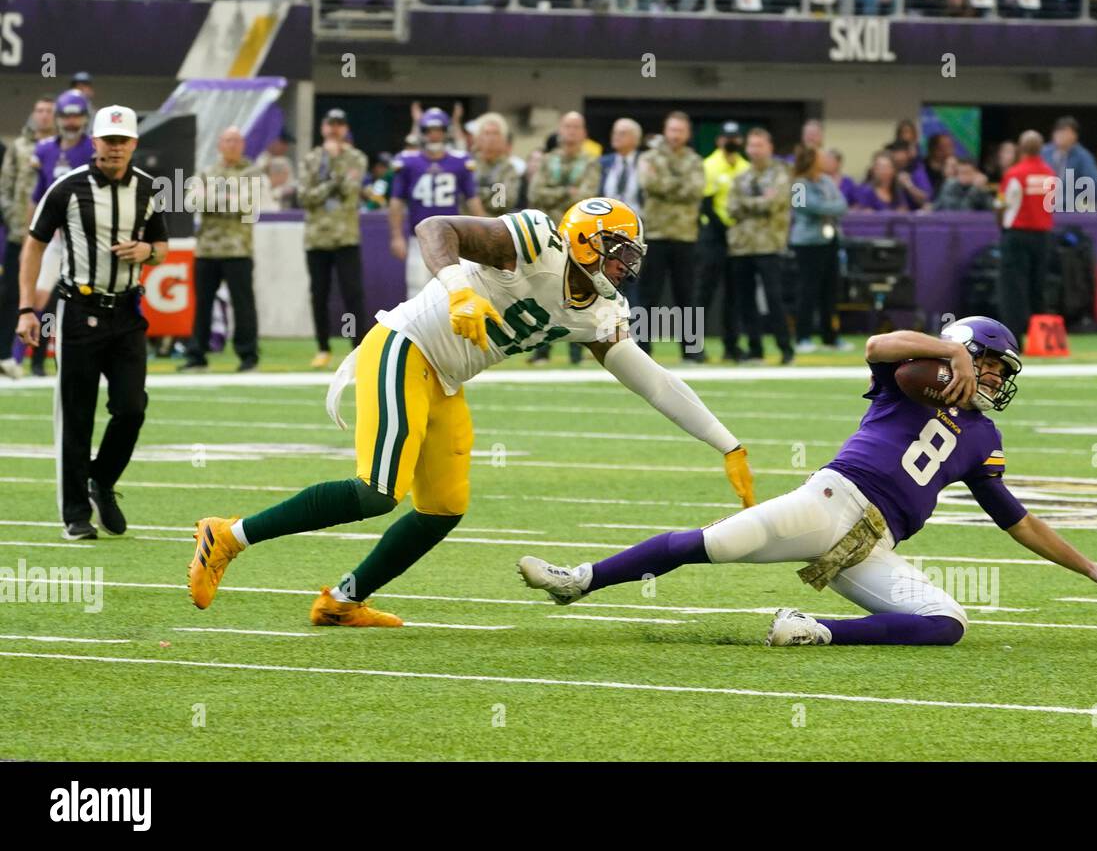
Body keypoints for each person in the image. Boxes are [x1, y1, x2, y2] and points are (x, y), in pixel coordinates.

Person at [187, 199, 756, 626]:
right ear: (584, 242)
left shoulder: (600, 308)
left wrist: (725, 442)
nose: (626, 264)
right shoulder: (534, 241)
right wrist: (459, 287)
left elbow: (652, 382)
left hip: (446, 376)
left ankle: (342, 600)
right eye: (618, 249)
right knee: (376, 491)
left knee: (442, 508)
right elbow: (436, 229)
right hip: (405, 344)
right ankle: (228, 535)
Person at [520, 318, 1097, 646]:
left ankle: (812, 629)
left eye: (996, 369)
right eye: (984, 361)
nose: (990, 377)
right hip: (829, 502)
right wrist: (951, 354)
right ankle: (581, 580)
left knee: (946, 621)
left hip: (872, 546)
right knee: (708, 545)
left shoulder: (985, 439)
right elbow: (879, 343)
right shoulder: (915, 374)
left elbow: (1017, 520)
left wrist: (1088, 567)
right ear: (956, 352)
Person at [17, 105, 169, 540]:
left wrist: (147, 253)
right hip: (79, 312)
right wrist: (28, 308)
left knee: (131, 408)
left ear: (134, 143)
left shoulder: (146, 189)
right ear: (94, 142)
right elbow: (34, 245)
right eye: (108, 140)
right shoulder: (67, 188)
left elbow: (161, 246)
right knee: (77, 414)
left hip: (126, 311)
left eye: (123, 140)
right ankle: (75, 514)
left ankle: (101, 480)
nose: (116, 148)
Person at [180, 126, 265, 372]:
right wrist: (228, 198)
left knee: (243, 304)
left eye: (236, 140)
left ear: (243, 144)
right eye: (227, 140)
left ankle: (248, 355)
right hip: (207, 249)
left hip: (238, 249)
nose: (232, 145)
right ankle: (197, 354)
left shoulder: (252, 172)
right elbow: (191, 201)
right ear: (220, 144)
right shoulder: (207, 172)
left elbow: (249, 205)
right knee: (203, 303)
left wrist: (214, 198)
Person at [24, 90, 95, 377]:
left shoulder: (93, 147)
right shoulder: (44, 150)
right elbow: (36, 196)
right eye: (66, 115)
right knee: (37, 299)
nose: (71, 121)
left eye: (76, 115)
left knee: (88, 297)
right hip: (54, 236)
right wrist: (33, 233)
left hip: (85, 236)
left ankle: (91, 359)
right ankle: (30, 360)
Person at [526, 111, 602, 363]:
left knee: (579, 293)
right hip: (549, 234)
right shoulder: (548, 160)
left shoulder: (591, 162)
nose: (571, 131)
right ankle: (541, 350)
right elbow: (536, 193)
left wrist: (556, 193)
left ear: (583, 132)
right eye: (567, 126)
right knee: (544, 290)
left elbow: (585, 198)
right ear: (560, 130)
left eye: (576, 127)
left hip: (579, 238)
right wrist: (566, 191)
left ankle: (577, 351)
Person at [389, 108, 485, 301]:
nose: (434, 135)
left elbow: (472, 199)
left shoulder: (460, 161)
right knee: (417, 288)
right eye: (429, 130)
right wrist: (396, 235)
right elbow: (396, 200)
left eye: (439, 129)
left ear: (446, 131)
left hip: (451, 236)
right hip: (419, 236)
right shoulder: (408, 162)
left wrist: (485, 230)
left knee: (453, 288)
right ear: (422, 132)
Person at [299, 108, 369, 370]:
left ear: (345, 128)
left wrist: (331, 173)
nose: (334, 130)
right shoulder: (311, 159)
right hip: (316, 237)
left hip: (345, 236)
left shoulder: (356, 158)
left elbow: (349, 191)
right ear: (323, 128)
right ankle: (322, 347)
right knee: (319, 293)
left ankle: (359, 347)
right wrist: (331, 178)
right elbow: (305, 196)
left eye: (339, 125)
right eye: (331, 125)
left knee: (352, 293)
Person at [636, 110, 706, 357]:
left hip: (685, 235)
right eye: (672, 130)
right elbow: (648, 183)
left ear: (687, 134)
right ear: (666, 130)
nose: (676, 135)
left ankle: (692, 350)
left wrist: (665, 183)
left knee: (687, 295)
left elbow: (696, 189)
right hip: (655, 233)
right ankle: (641, 348)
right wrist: (678, 184)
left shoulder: (695, 161)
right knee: (648, 295)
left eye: (681, 131)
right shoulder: (649, 157)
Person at [727, 127, 794, 365]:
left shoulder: (782, 173)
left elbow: (775, 203)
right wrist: (758, 203)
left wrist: (749, 204)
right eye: (752, 145)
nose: (755, 150)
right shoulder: (741, 177)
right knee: (745, 300)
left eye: (760, 145)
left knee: (774, 298)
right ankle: (755, 349)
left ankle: (786, 348)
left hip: (770, 244)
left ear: (770, 148)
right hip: (742, 245)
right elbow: (731, 208)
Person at [0, 94, 55, 380]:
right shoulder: (19, 147)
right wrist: (14, 222)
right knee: (12, 295)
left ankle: (38, 361)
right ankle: (6, 356)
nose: (44, 115)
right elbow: (5, 187)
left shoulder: (61, 149)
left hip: (53, 238)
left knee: (47, 301)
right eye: (39, 110)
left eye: (49, 111)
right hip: (20, 235)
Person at [789, 144, 849, 354]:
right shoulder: (798, 183)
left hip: (829, 240)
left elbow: (842, 204)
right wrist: (827, 206)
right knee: (808, 289)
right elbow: (803, 206)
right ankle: (802, 336)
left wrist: (825, 207)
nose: (825, 159)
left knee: (829, 290)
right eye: (820, 156)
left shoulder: (826, 181)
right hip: (807, 243)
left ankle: (830, 336)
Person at [998, 130, 1055, 348]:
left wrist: (1002, 225)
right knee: (1038, 287)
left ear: (1021, 148)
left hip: (1017, 235)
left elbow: (1002, 204)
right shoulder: (1050, 174)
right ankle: (1041, 339)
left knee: (1013, 289)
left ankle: (1014, 341)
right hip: (1043, 237)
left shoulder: (1015, 174)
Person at [698, 120, 749, 363]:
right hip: (713, 235)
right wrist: (725, 228)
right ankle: (694, 346)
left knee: (735, 295)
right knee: (703, 293)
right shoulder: (709, 165)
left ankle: (732, 345)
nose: (732, 142)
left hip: (739, 239)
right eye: (728, 138)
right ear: (719, 140)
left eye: (736, 137)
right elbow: (706, 204)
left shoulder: (745, 167)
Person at [471, 112, 523, 216]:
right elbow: (461, 199)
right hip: (464, 223)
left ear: (503, 139)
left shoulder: (508, 169)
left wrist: (475, 197)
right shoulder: (468, 164)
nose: (491, 138)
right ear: (478, 138)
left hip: (494, 226)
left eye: (496, 134)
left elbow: (503, 202)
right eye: (487, 133)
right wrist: (490, 193)